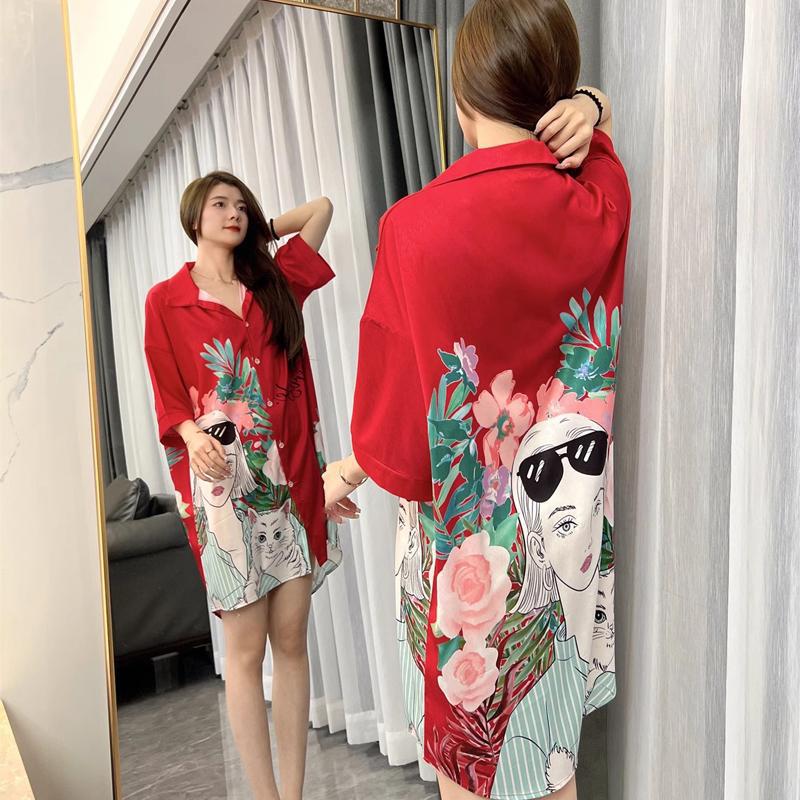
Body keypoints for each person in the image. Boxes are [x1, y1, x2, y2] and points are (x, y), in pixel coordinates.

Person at [323, 0, 630, 797]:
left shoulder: (411, 227)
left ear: (461, 98)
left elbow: (400, 421)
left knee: (472, 764)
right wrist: (590, 108)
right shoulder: (595, 201)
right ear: (553, 95)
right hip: (564, 535)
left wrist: (347, 472)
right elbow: (599, 146)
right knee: (550, 758)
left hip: (461, 542)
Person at [143, 172, 357, 800]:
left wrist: (260, 231)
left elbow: (320, 209)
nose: (232, 213)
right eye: (219, 205)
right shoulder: (166, 300)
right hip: (225, 490)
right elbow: (167, 394)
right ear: (194, 217)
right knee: (244, 652)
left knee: (291, 640)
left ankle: (293, 794)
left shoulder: (272, 283)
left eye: (241, 206)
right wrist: (190, 435)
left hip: (289, 482)